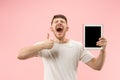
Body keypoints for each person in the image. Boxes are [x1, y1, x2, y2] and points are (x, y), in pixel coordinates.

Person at [17, 14, 107, 80]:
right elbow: (20, 55)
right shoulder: (44, 45)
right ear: (51, 28)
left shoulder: (77, 46)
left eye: (62, 22)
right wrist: (43, 45)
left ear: (67, 28)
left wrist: (103, 50)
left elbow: (97, 66)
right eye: (56, 21)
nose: (59, 23)